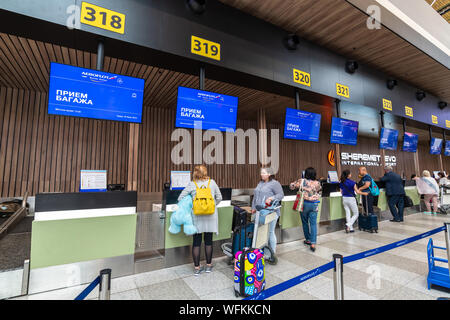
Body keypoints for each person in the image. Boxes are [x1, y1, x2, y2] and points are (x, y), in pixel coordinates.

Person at [178, 165, 222, 276]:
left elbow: (180, 198)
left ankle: (197, 268)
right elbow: (219, 197)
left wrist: (192, 206)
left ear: (195, 173)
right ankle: (208, 266)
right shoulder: (212, 182)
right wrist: (212, 206)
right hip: (211, 216)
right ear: (205, 172)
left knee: (196, 242)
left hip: (197, 216)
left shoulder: (192, 184)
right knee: (208, 240)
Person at [251, 167, 284, 261]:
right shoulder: (260, 183)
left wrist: (272, 198)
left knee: (270, 232)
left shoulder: (275, 183)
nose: (261, 174)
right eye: (261, 173)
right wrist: (253, 207)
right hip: (260, 212)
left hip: (271, 212)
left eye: (264, 173)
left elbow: (281, 195)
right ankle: (263, 252)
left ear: (269, 174)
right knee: (261, 232)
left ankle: (272, 254)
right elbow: (255, 196)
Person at [290, 167, 322, 252]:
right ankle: (313, 243)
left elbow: (291, 186)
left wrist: (296, 184)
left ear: (306, 174)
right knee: (313, 224)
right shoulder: (317, 183)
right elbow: (319, 191)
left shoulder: (302, 181)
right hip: (314, 204)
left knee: (305, 222)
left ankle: (308, 239)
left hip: (304, 204)